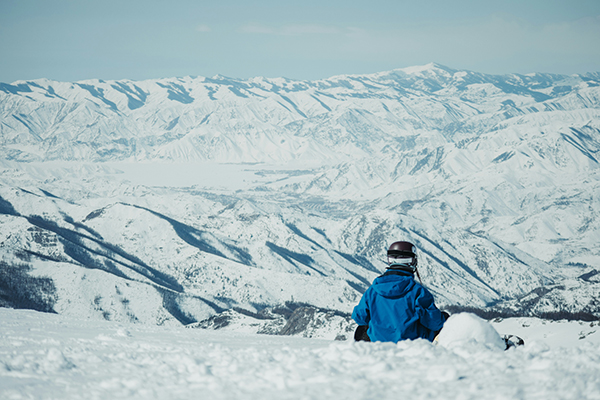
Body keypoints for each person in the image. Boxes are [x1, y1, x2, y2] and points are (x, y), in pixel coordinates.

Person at [352, 241, 447, 343]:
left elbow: (359, 317)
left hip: (378, 344)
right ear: (413, 262)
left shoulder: (372, 291)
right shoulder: (417, 291)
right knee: (444, 318)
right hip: (412, 345)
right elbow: (435, 322)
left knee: (363, 327)